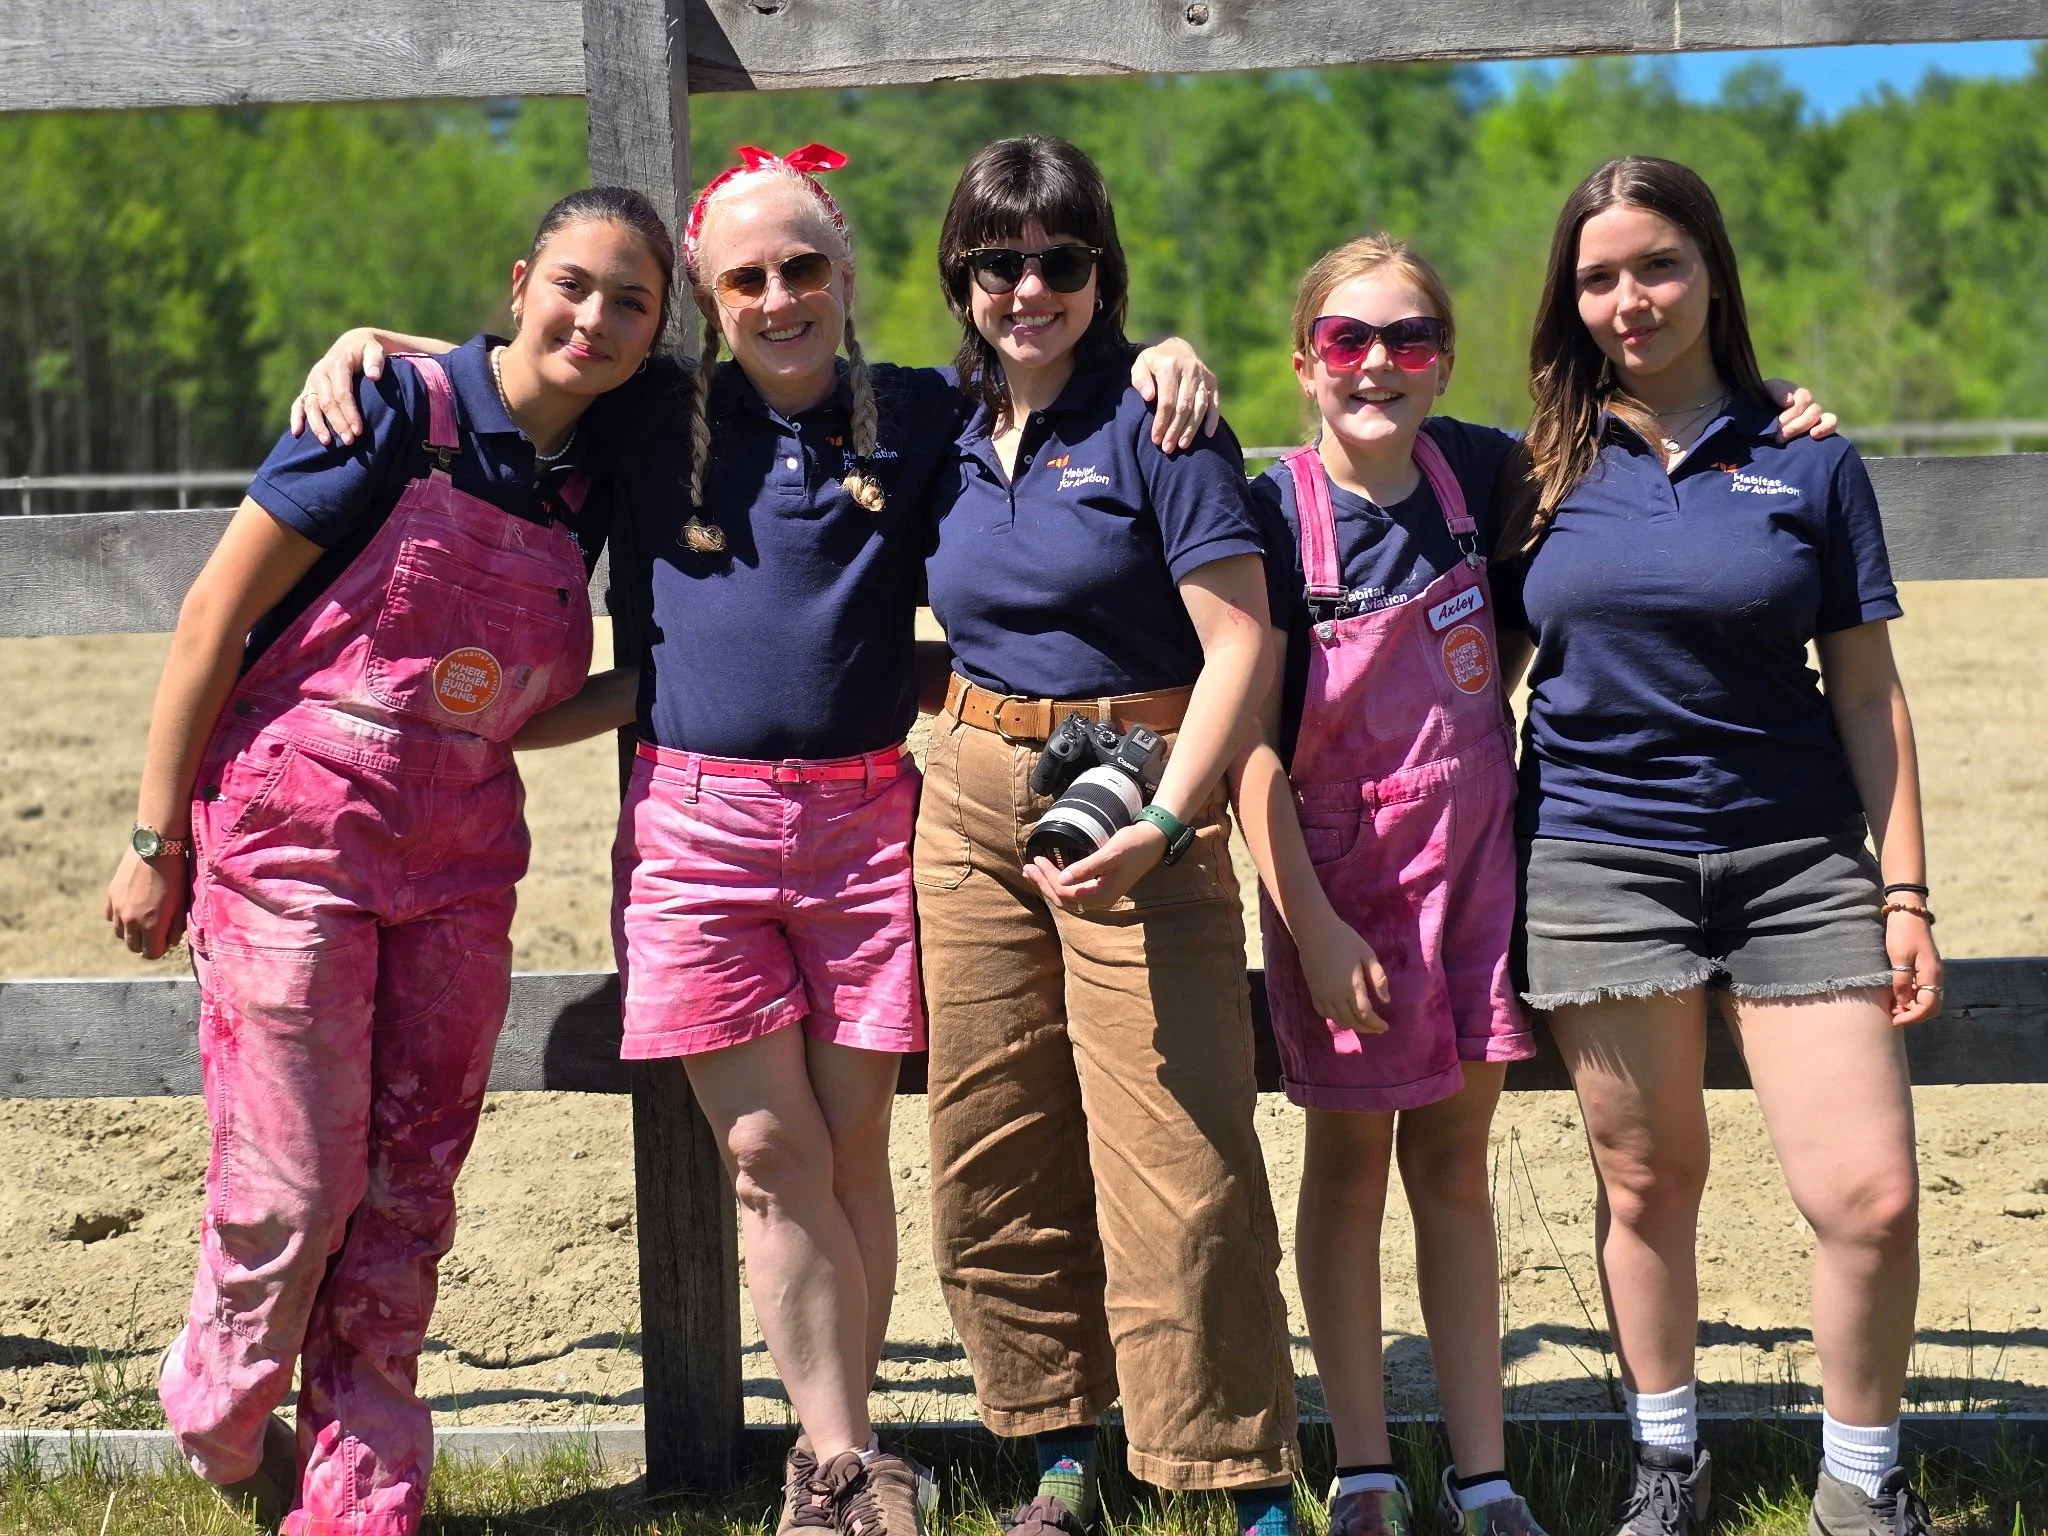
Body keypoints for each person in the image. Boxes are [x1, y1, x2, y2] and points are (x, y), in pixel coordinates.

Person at [292, 143, 1222, 1536]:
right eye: (746, 277)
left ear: (846, 277)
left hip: (863, 825)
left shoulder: (916, 418)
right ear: (707, 300)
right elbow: (540, 360)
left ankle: (861, 1455)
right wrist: (388, 347)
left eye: (804, 269)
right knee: (771, 1154)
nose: (779, 298)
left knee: (852, 1152)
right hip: (696, 828)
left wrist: (1174, 356)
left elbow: (1053, 375)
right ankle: (837, 1461)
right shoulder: (651, 415)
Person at [104, 186, 674, 1534]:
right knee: (296, 1182)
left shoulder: (590, 479)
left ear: (656, 336)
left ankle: (363, 1494)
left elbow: (519, 709)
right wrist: (152, 837)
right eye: (574, 284)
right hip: (289, 845)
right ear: (523, 277)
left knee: (412, 1190)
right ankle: (221, 1401)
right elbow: (210, 618)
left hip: (463, 866)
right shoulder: (386, 414)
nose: (594, 316)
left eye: (631, 302)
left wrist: (673, 687)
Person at [1492, 155, 1941, 1536]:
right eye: (1601, 275)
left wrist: (1907, 887)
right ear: (1572, 298)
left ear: (1711, 271)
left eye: (1660, 264)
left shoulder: (1810, 456)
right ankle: (1668, 1462)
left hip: (1796, 858)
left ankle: (1862, 1481)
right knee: (1647, 1181)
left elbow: (1867, 691)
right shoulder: (1533, 470)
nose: (1633, 298)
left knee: (1868, 1195)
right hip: (1596, 858)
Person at [915, 135, 1300, 1536]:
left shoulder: (1160, 423)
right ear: (959, 277)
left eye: (1060, 260)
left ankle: (1234, 1472)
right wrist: (389, 343)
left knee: (1182, 1148)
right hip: (966, 787)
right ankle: (1057, 1448)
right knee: (991, 1137)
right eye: (999, 262)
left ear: (1101, 271)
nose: (1030, 287)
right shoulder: (931, 430)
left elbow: (1242, 640)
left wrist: (1165, 817)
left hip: (1136, 772)